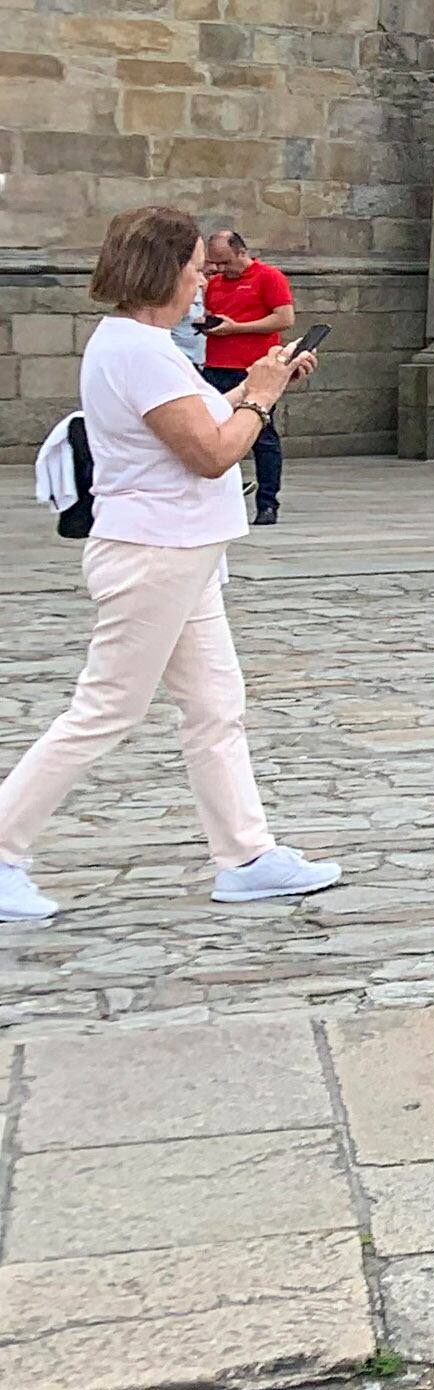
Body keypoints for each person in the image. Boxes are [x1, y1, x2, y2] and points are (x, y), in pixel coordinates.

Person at [0, 206, 342, 922]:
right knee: (105, 710)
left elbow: (199, 418)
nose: (203, 281)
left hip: (183, 553)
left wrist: (260, 382)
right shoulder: (138, 351)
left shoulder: (142, 345)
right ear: (164, 271)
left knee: (215, 706)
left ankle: (246, 856)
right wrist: (261, 399)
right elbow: (211, 452)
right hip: (154, 553)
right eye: (194, 267)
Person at [196, 223, 294, 527]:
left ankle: (268, 503)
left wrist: (236, 328)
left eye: (225, 262)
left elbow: (284, 319)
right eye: (214, 263)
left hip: (254, 368)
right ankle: (216, 500)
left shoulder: (268, 277)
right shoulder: (215, 283)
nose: (219, 269)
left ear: (242, 252)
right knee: (211, 432)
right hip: (216, 365)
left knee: (262, 437)